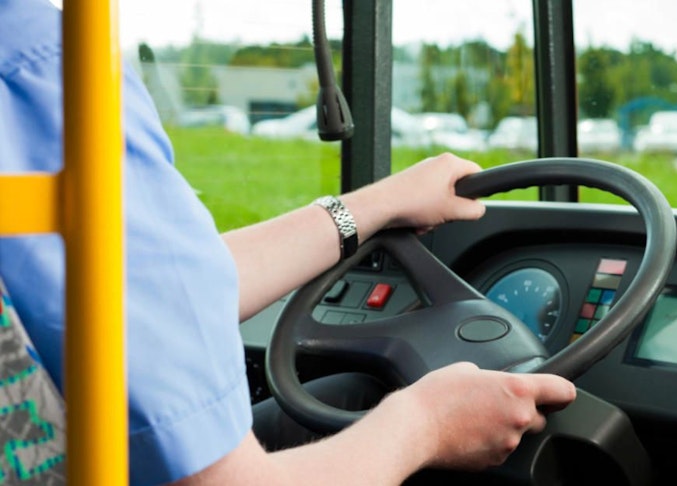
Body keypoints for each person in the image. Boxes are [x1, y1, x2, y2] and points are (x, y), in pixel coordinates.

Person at [0, 0, 577, 484]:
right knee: (352, 402)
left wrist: (379, 204)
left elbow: (142, 295)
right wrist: (426, 424)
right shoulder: (51, 75)